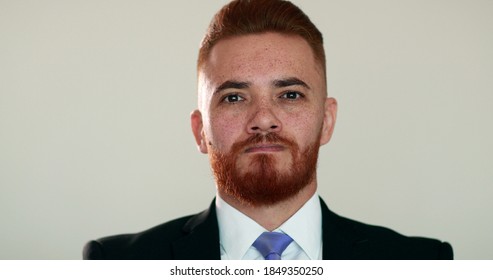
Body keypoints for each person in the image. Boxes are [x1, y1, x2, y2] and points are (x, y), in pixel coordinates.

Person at [83, 0, 453, 260]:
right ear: (200, 132)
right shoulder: (118, 264)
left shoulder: (421, 262)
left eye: (290, 94)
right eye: (233, 97)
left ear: (327, 121)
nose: (263, 119)